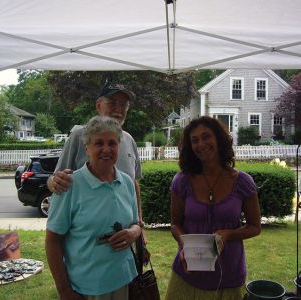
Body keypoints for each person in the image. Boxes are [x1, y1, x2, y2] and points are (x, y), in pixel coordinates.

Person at [165, 116, 261, 300]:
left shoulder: (243, 182)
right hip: (188, 274)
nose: (201, 144)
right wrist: (184, 246)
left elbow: (255, 227)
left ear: (218, 138)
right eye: (195, 140)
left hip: (228, 277)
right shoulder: (182, 181)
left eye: (206, 136)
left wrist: (229, 234)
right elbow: (175, 224)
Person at [46, 116, 142, 300]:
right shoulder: (69, 185)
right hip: (84, 288)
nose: (106, 149)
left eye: (112, 143)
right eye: (99, 143)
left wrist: (133, 233)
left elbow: (136, 223)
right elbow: (52, 241)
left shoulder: (127, 183)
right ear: (87, 148)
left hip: (123, 281)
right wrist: (64, 290)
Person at [47, 82, 143, 222]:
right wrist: (53, 182)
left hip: (127, 235)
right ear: (98, 105)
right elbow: (56, 179)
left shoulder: (129, 140)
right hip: (88, 232)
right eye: (112, 103)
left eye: (123, 105)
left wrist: (139, 223)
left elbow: (133, 184)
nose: (118, 109)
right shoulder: (79, 136)